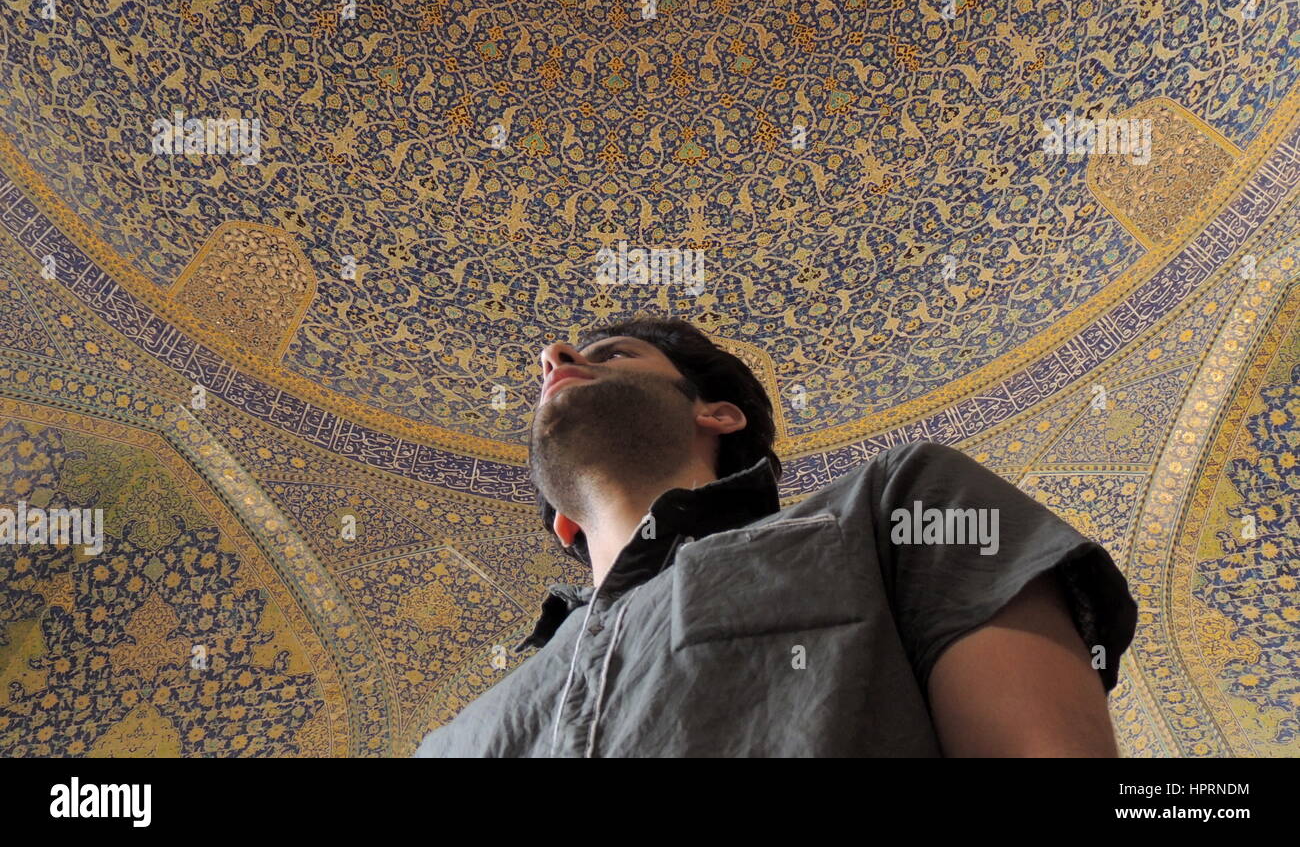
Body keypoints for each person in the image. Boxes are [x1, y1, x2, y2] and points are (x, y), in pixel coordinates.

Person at [415, 317, 1137, 757]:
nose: (555, 354)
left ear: (718, 415)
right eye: (562, 363)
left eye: (614, 355)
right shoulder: (448, 742)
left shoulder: (900, 504)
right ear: (561, 518)